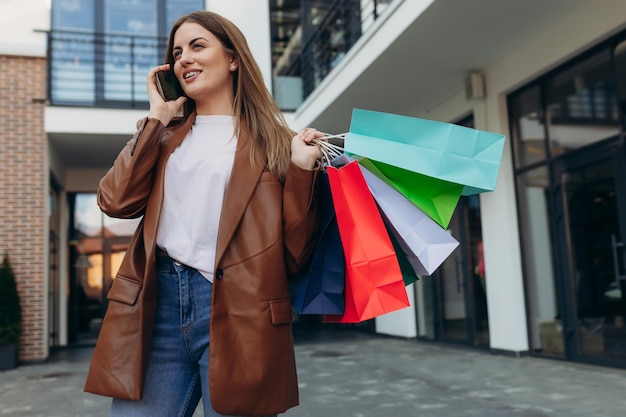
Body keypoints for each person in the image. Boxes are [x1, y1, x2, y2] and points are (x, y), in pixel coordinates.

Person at [84, 10, 324, 417]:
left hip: (242, 310)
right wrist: (157, 118)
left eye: (198, 46)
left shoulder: (277, 144)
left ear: (233, 59)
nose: (184, 59)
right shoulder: (164, 136)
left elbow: (295, 254)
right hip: (156, 308)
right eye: (177, 53)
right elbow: (115, 201)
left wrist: (302, 171)